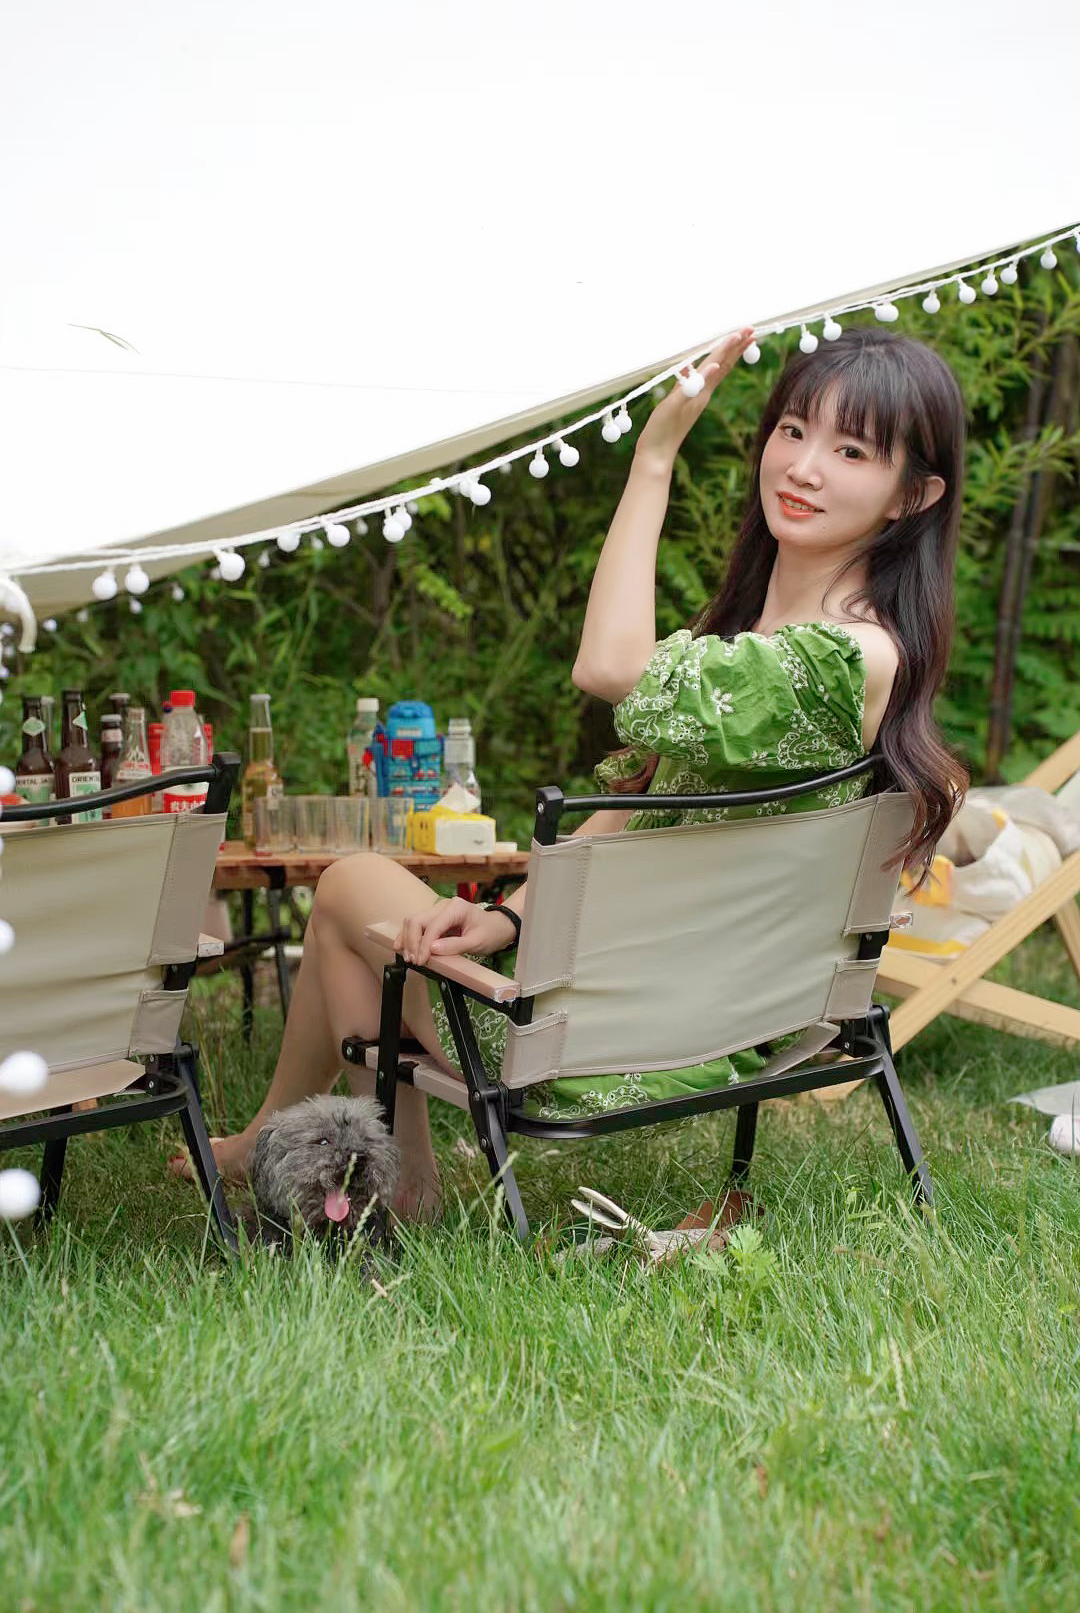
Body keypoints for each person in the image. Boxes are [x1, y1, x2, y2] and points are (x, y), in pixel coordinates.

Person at [171, 324, 967, 1216]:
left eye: (851, 450)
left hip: (609, 1036)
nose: (804, 467)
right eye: (792, 430)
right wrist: (508, 916)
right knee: (374, 923)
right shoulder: (785, 652)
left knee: (351, 886)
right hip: (689, 1009)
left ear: (913, 496)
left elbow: (607, 666)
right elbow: (630, 810)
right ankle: (336, 1162)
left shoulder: (841, 661)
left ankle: (329, 1162)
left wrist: (653, 461)